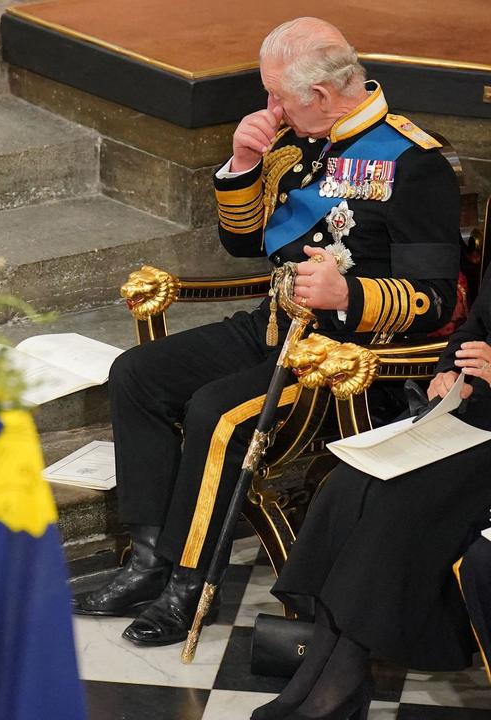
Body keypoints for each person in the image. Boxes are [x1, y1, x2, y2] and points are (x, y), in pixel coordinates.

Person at [72, 16, 463, 648]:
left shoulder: (412, 161)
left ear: (323, 95)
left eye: (279, 96)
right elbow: (244, 240)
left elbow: (439, 301)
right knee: (137, 374)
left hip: (341, 359)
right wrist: (243, 162)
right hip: (272, 327)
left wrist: (351, 295)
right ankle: (146, 563)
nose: (269, 107)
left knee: (215, 411)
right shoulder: (292, 140)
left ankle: (190, 585)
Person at [251, 268, 491, 720]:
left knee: (402, 504)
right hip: (474, 414)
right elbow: (476, 326)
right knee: (352, 482)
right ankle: (319, 668)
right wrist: (447, 372)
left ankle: (339, 685)